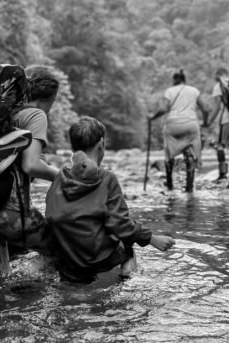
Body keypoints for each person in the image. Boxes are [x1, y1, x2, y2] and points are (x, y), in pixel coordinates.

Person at [46, 117, 176, 283]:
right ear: (101, 144)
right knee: (128, 241)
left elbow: (50, 214)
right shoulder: (107, 179)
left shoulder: (59, 177)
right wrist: (152, 239)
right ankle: (126, 273)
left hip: (67, 262)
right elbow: (120, 223)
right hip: (99, 260)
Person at [0, 65, 61, 270]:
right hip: (7, 211)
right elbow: (32, 165)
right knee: (62, 255)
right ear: (49, 98)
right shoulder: (35, 115)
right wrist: (66, 176)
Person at [148, 70, 209, 193]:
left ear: (174, 80)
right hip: (191, 124)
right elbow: (206, 108)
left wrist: (152, 118)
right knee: (190, 152)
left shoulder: (170, 91)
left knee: (169, 153)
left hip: (173, 124)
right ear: (184, 80)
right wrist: (206, 122)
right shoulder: (194, 91)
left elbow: (164, 109)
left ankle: (170, 184)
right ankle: (189, 187)